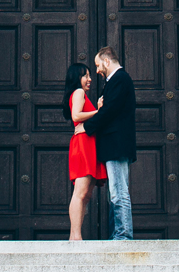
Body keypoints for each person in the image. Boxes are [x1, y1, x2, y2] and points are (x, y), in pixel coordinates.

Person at [81, 45, 137, 239]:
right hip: (113, 145)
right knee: (115, 192)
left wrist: (87, 127)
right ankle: (118, 234)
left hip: (117, 145)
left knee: (119, 192)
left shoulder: (120, 79)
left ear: (106, 61)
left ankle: (123, 235)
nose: (96, 70)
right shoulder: (115, 81)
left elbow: (110, 110)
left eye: (97, 65)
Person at [63, 62, 102, 239]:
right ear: (76, 78)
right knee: (80, 193)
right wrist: (99, 111)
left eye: (89, 75)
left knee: (86, 194)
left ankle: (75, 235)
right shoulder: (79, 93)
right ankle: (75, 236)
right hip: (83, 144)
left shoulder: (81, 94)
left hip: (88, 144)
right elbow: (76, 116)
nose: (89, 79)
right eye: (85, 75)